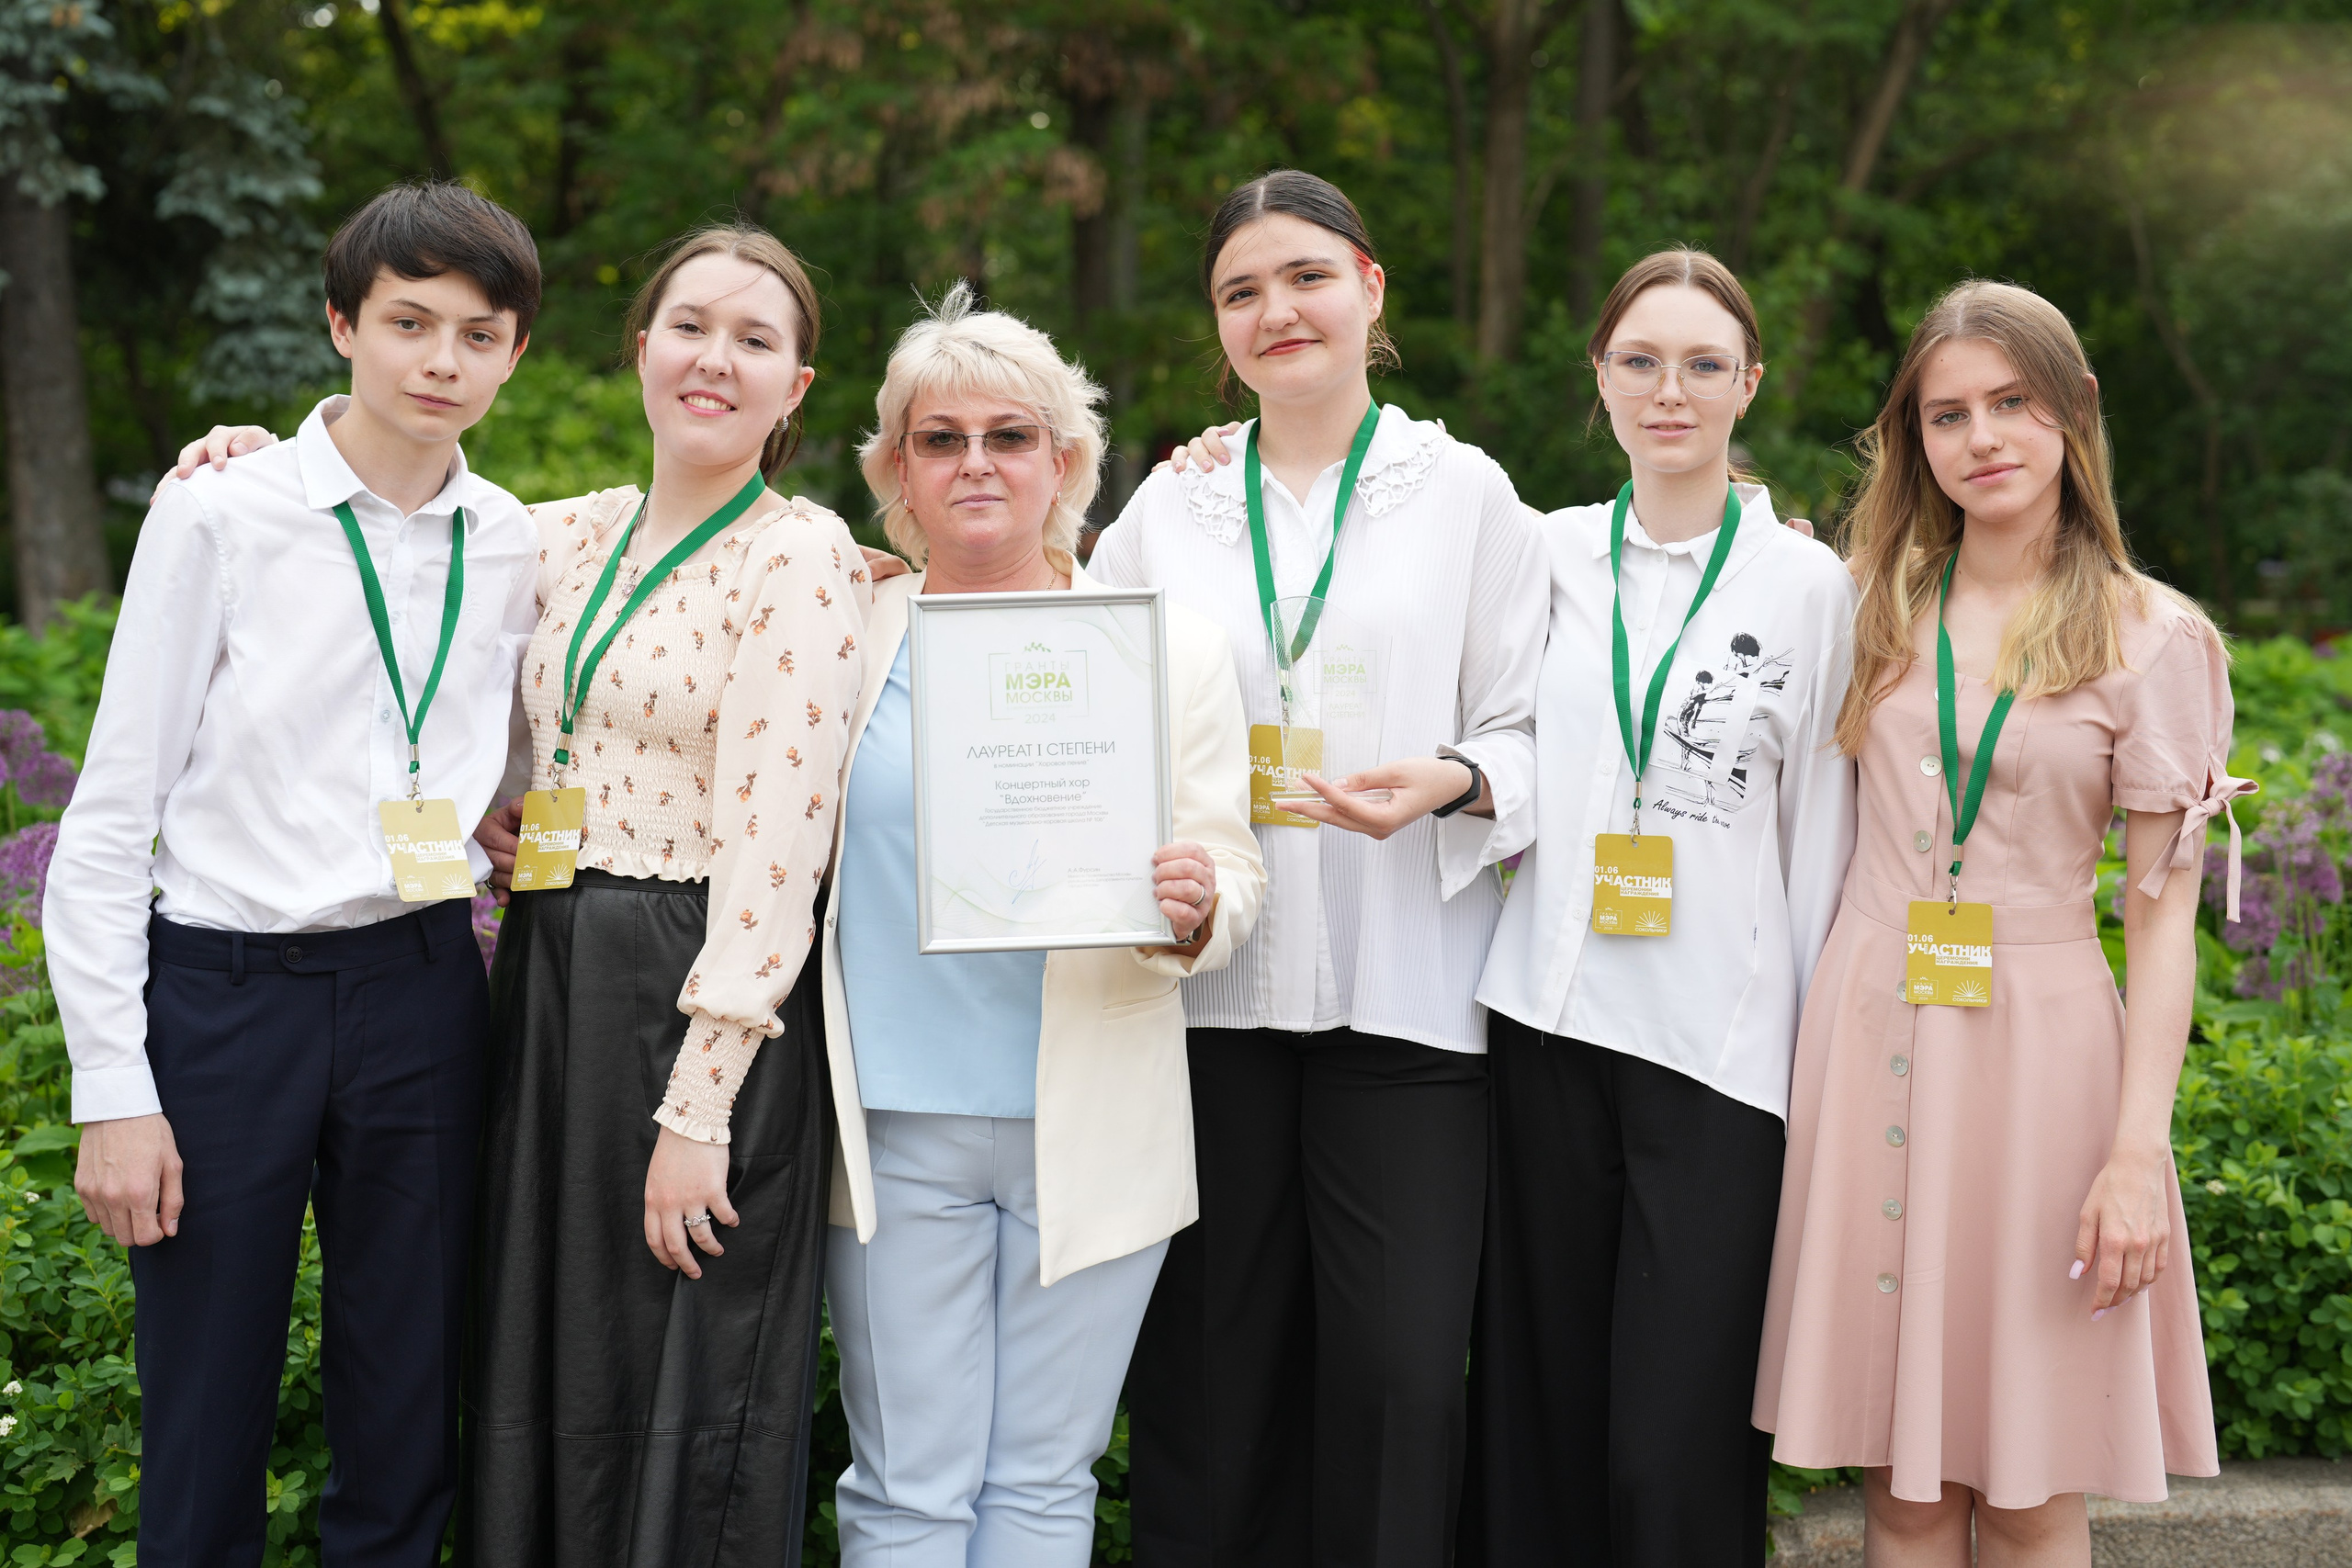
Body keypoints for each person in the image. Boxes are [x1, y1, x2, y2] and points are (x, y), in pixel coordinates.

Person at [166, 223, 867, 1563]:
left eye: (756, 340)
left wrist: (702, 1102)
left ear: (798, 388)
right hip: (545, 979)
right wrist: (251, 459)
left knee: (674, 1385)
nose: (714, 358)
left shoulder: (800, 555)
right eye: (690, 325)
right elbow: (396, 531)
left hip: (689, 1000)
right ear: (640, 346)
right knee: (539, 1365)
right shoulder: (556, 535)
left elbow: (783, 853)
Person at [51, 181, 542, 1566]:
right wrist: (112, 1088)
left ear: (515, 355)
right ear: (342, 324)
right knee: (205, 1412)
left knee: (406, 1409)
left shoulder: (513, 541)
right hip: (226, 997)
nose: (442, 360)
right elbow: (107, 818)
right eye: (409, 323)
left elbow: (515, 739)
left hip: (424, 990)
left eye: (481, 334)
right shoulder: (222, 514)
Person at [1091, 169, 1546, 1567]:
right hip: (1212, 1003)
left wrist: (1456, 780)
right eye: (1241, 291)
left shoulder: (1465, 495)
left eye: (1303, 277)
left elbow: (1534, 726)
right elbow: (1075, 698)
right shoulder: (1170, 508)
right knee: (1214, 1381)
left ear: (1369, 288)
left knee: (1401, 1378)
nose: (1275, 310)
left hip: (1405, 1003)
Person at [1754, 279, 2244, 1564]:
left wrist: (2138, 1155)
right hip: (1868, 1040)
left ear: (2075, 409)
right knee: (1901, 1495)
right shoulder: (1862, 605)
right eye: (1948, 414)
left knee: (2029, 1491)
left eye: (2012, 403)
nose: (1984, 439)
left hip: (2043, 1072)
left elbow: (2163, 923)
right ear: (1914, 437)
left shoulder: (2155, 639)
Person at [821, 282, 1262, 1567]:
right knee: (908, 1486)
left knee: (1042, 1484)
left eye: (1010, 435)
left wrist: (1194, 912)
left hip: (1094, 1122)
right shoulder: (844, 628)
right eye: (939, 437)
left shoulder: (1161, 646)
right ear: (895, 467)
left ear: (1064, 461)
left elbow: (1231, 865)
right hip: (897, 1126)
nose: (975, 463)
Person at [1457, 250, 1858, 1568]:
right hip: (1548, 1025)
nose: (1667, 391)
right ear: (1601, 379)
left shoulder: (1811, 590)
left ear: (1749, 384)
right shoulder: (1548, 553)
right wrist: (1208, 451)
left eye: (1699, 365)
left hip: (1721, 1054)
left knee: (1674, 1439)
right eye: (1639, 361)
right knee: (1539, 1416)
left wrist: (1813, 1060)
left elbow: (1824, 833)